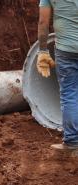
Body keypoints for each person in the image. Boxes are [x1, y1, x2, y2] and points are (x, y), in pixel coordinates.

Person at [37, 0, 78, 150]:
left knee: (69, 94)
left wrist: (42, 51)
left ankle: (72, 142)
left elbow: (43, 22)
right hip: (65, 51)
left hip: (66, 51)